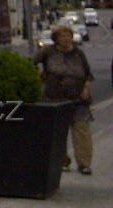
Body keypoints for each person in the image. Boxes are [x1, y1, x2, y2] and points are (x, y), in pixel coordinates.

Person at [36, 24, 93, 175]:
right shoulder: (48, 52)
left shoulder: (78, 54)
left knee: (81, 131)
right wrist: (39, 75)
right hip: (55, 97)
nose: (66, 39)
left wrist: (86, 89)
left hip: (78, 98)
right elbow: (32, 62)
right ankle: (62, 161)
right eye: (62, 36)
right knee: (58, 131)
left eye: (68, 36)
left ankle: (84, 164)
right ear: (56, 38)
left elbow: (87, 73)